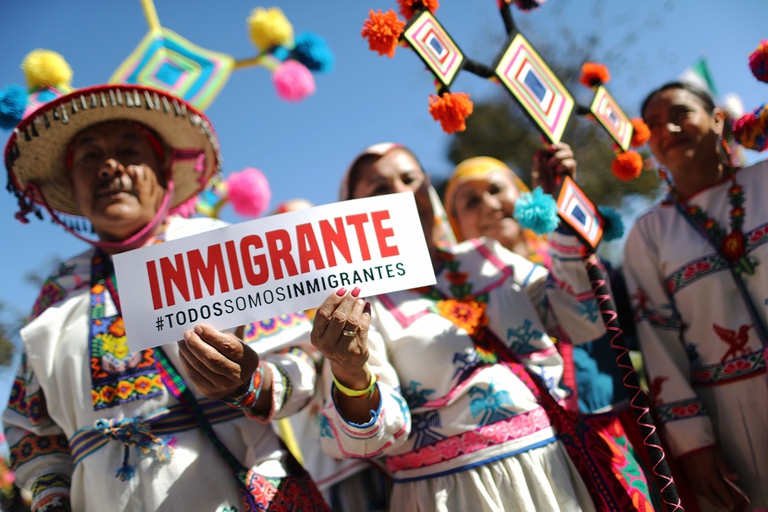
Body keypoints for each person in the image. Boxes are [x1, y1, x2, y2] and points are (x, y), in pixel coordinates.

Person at [3, 84, 326, 511]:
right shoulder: (59, 291)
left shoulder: (218, 247)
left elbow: (302, 358)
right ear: (73, 185)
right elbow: (31, 426)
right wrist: (52, 497)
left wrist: (250, 384)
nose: (109, 167)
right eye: (89, 157)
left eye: (129, 151)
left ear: (163, 171)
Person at [309, 142, 619, 511]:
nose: (401, 193)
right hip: (453, 493)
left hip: (553, 472)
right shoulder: (357, 304)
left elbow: (581, 318)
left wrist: (562, 211)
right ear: (352, 214)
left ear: (428, 188)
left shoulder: (485, 256)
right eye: (379, 189)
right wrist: (350, 372)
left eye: (410, 179)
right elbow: (371, 436)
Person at [624, 81, 768, 511]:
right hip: (733, 416)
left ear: (718, 120)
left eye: (681, 114)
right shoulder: (649, 234)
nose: (667, 130)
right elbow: (658, 343)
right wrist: (691, 442)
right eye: (653, 125)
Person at [442, 153, 633, 415]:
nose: (489, 205)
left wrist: (563, 199)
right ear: (456, 226)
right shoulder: (453, 307)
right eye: (471, 202)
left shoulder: (574, 259)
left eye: (496, 189)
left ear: (522, 194)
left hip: (617, 417)